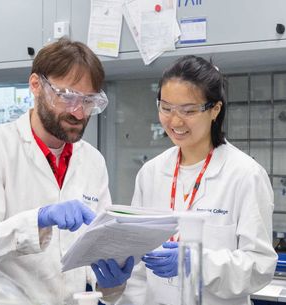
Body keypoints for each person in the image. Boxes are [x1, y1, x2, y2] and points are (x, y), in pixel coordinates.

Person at [0, 38, 133, 304]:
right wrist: (37, 221)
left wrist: (110, 283)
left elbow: (93, 256)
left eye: (89, 101)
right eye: (68, 97)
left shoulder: (92, 160)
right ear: (36, 85)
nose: (79, 113)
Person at [108, 55, 276, 305]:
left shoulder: (245, 174)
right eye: (166, 108)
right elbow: (139, 269)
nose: (175, 121)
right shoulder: (151, 173)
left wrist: (198, 262)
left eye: (188, 111)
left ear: (215, 110)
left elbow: (259, 266)